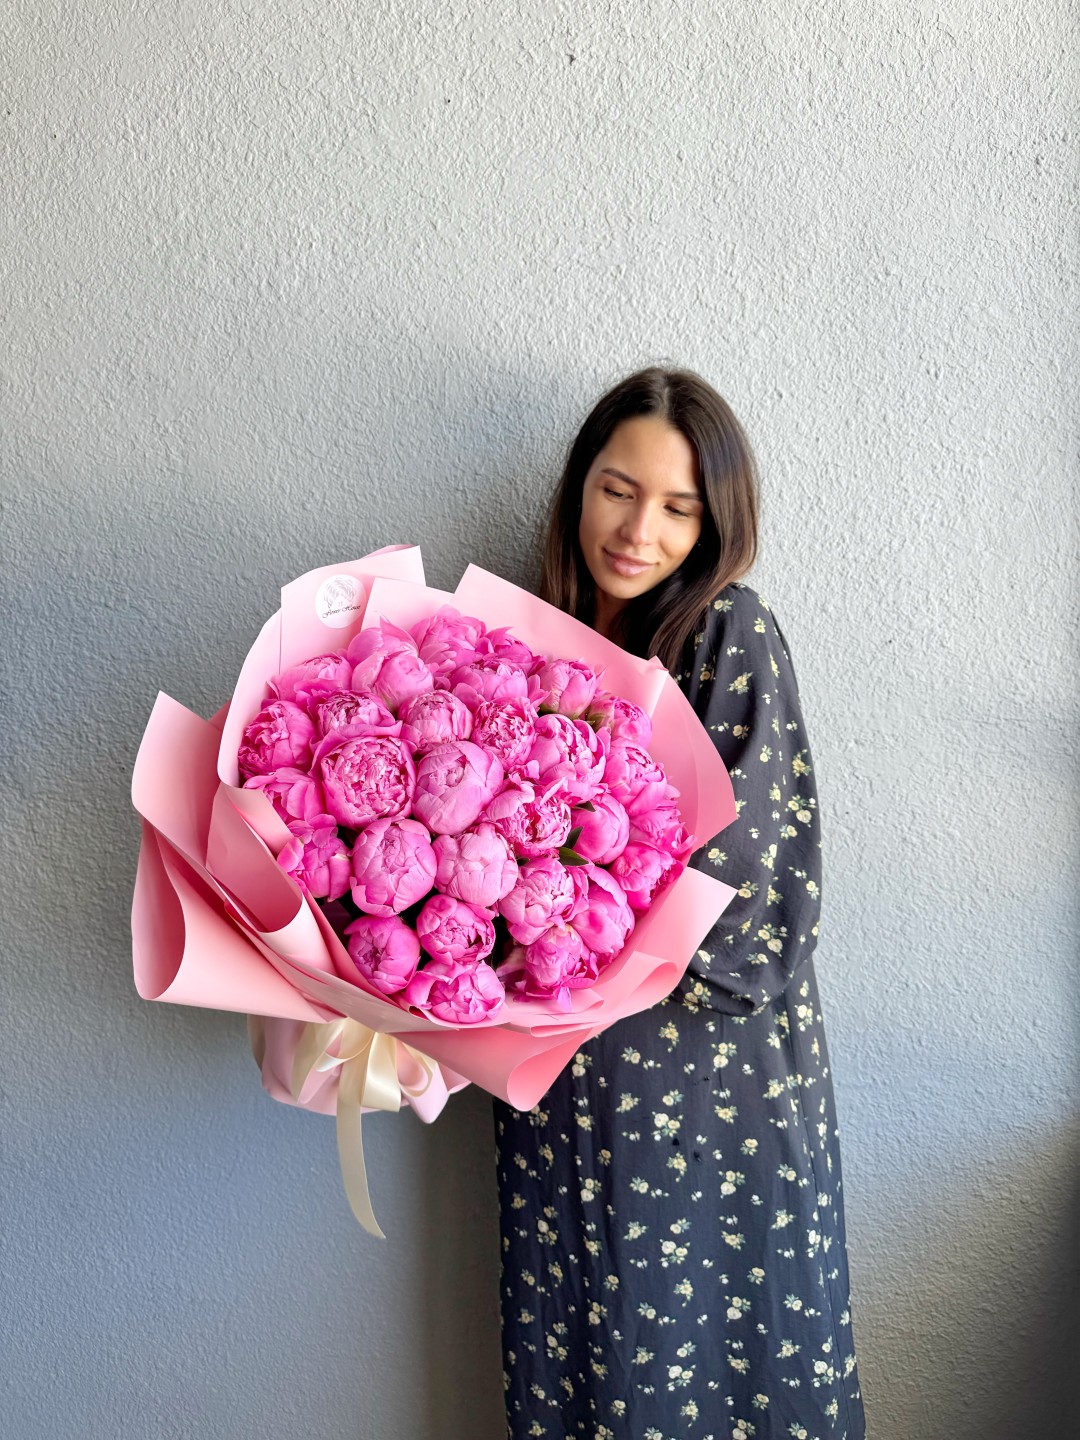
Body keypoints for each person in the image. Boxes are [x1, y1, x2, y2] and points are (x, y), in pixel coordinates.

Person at [492, 368, 866, 1439]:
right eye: (618, 490)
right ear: (579, 486)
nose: (638, 530)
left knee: (706, 1364)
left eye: (677, 507)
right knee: (582, 1357)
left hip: (703, 1097)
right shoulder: (524, 642)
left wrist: (545, 903)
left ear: (715, 524)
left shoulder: (727, 631)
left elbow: (752, 889)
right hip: (558, 1086)